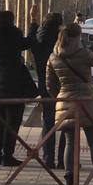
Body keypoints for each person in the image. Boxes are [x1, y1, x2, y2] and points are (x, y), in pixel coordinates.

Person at [47, 22, 93, 185]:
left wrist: (62, 97)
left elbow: (50, 85)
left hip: (66, 102)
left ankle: (70, 182)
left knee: (70, 143)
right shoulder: (83, 53)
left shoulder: (53, 57)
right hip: (87, 101)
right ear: (79, 36)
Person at [0, 8, 39, 166]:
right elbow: (29, 42)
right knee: (13, 121)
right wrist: (33, 22)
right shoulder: (11, 35)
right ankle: (8, 155)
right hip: (12, 84)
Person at [30, 12, 64, 169]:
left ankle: (48, 159)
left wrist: (33, 21)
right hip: (62, 84)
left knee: (48, 121)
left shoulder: (37, 39)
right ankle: (63, 160)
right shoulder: (61, 41)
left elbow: (31, 37)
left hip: (44, 83)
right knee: (65, 123)